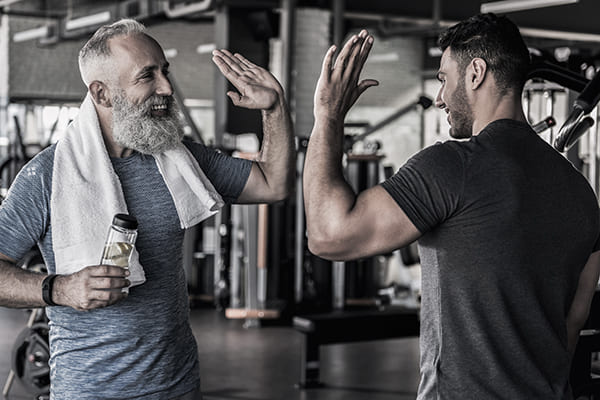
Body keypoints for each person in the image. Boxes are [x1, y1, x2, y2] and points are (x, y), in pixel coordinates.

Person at [304, 13, 600, 399]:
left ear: (476, 72)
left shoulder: (452, 166)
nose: (440, 97)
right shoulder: (581, 192)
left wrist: (327, 115)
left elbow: (328, 237)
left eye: (443, 78)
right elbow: (571, 326)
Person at [0, 19, 294, 400]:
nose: (167, 87)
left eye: (165, 71)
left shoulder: (180, 160)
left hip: (179, 388)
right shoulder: (47, 175)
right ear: (102, 94)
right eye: (147, 76)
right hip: (90, 391)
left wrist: (273, 109)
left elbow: (274, 183)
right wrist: (61, 288)